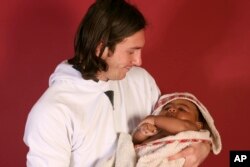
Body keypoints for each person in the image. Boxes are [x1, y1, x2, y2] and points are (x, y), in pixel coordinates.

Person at [23, 0, 212, 166]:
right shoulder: (51, 113)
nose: (138, 61)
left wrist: (203, 145)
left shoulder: (141, 80)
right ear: (101, 48)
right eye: (131, 52)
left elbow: (178, 131)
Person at [132, 92, 222, 166]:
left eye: (182, 109)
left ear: (198, 125)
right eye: (167, 108)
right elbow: (135, 141)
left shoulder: (191, 128)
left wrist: (155, 120)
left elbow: (183, 127)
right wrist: (142, 131)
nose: (171, 109)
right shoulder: (157, 130)